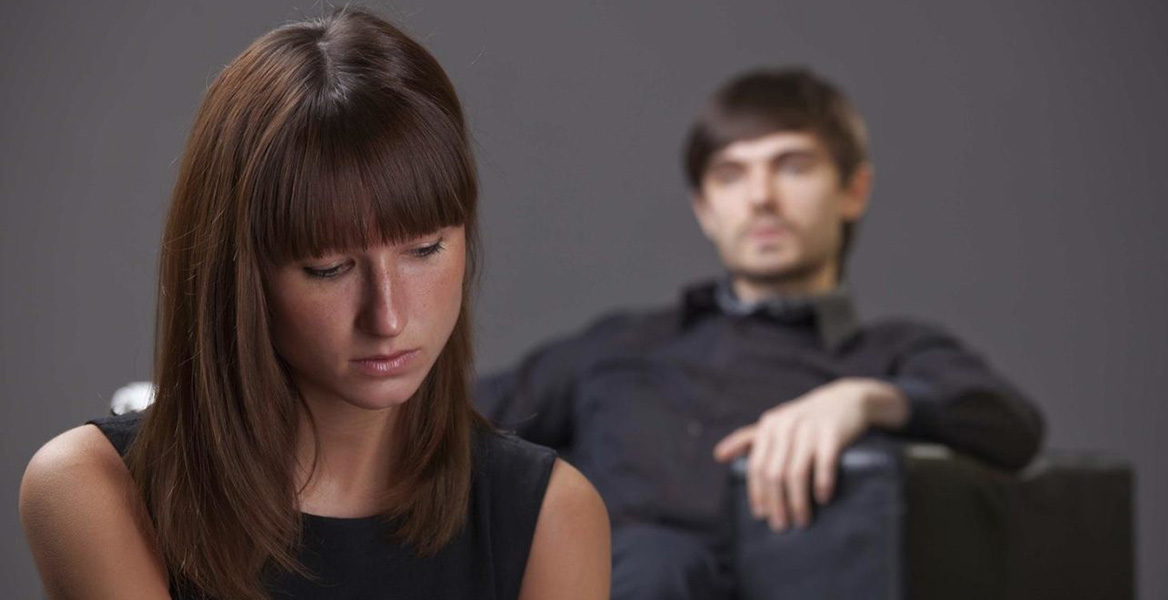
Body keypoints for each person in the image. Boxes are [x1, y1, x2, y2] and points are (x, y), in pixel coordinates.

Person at [18, 9, 609, 600]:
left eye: (425, 249)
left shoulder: (551, 516)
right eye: (328, 268)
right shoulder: (90, 488)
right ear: (240, 273)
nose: (388, 318)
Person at [475, 67, 1044, 600]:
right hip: (586, 575)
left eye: (792, 166)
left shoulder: (886, 354)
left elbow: (1013, 426)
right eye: (730, 175)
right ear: (705, 209)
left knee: (660, 563)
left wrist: (866, 399)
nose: (761, 197)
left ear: (853, 190)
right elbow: (456, 418)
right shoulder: (618, 344)